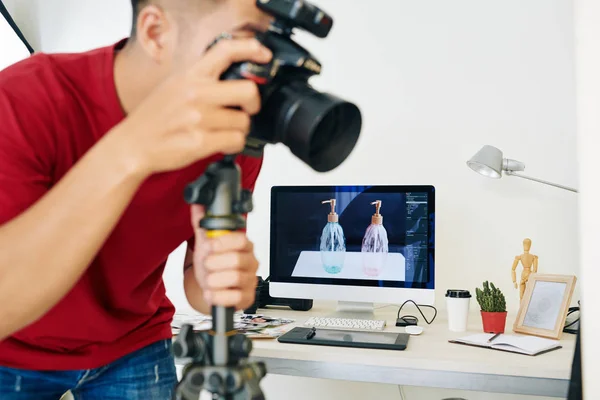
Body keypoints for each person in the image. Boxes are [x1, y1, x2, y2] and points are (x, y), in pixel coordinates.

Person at [0, 0, 273, 398]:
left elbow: (198, 283)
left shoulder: (232, 135)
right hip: (13, 349)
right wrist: (131, 151)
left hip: (133, 344)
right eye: (241, 44)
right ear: (155, 32)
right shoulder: (25, 99)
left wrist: (217, 281)